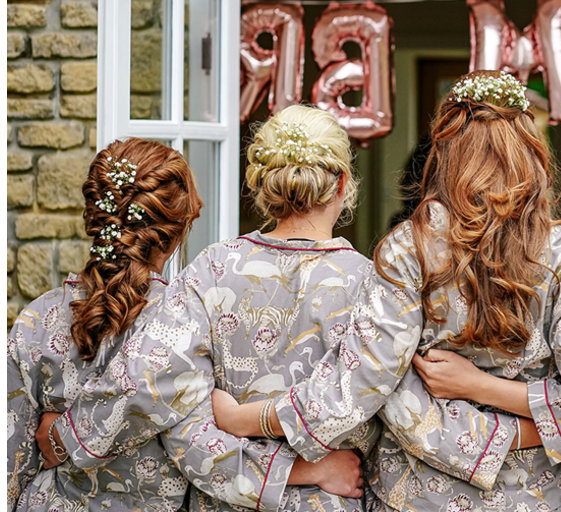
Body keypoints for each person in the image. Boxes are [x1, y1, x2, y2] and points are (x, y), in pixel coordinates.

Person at [207, 71, 561, 511]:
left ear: (444, 156)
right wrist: (524, 434)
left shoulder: (410, 250)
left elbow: (364, 386)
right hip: (535, 492)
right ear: (533, 154)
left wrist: (253, 419)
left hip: (419, 490)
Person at [37, 106, 374, 511]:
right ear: (340, 183)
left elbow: (176, 420)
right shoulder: (374, 287)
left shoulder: (213, 270)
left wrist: (67, 437)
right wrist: (306, 468)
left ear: (262, 182)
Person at [8, 138, 202, 510]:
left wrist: (59, 433)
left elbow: (8, 461)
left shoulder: (36, 320)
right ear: (177, 233)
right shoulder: (191, 326)